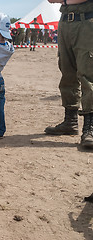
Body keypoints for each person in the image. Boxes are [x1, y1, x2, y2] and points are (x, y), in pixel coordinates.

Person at [45, 0, 93, 148]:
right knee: (67, 72)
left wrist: (63, 0)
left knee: (88, 74)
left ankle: (90, 128)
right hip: (65, 21)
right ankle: (70, 121)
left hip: (86, 21)